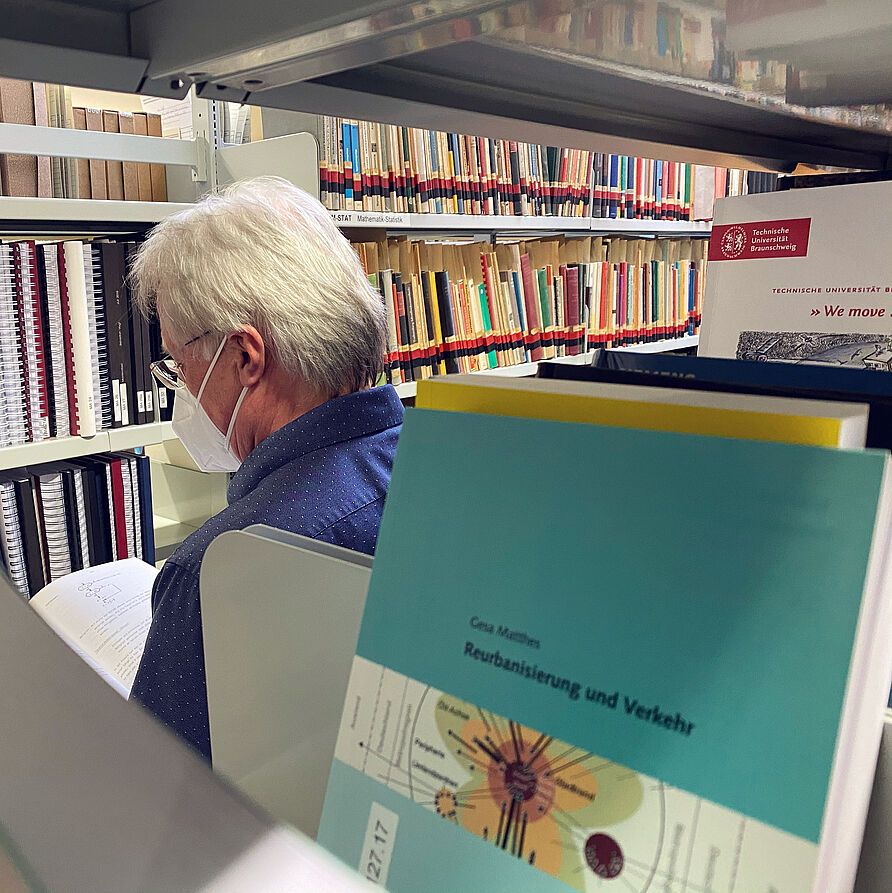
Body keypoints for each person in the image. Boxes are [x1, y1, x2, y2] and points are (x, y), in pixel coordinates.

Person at [128, 177, 403, 760]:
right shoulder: (454, 470)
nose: (183, 394)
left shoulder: (220, 569)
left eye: (179, 367)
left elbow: (148, 814)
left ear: (244, 357)